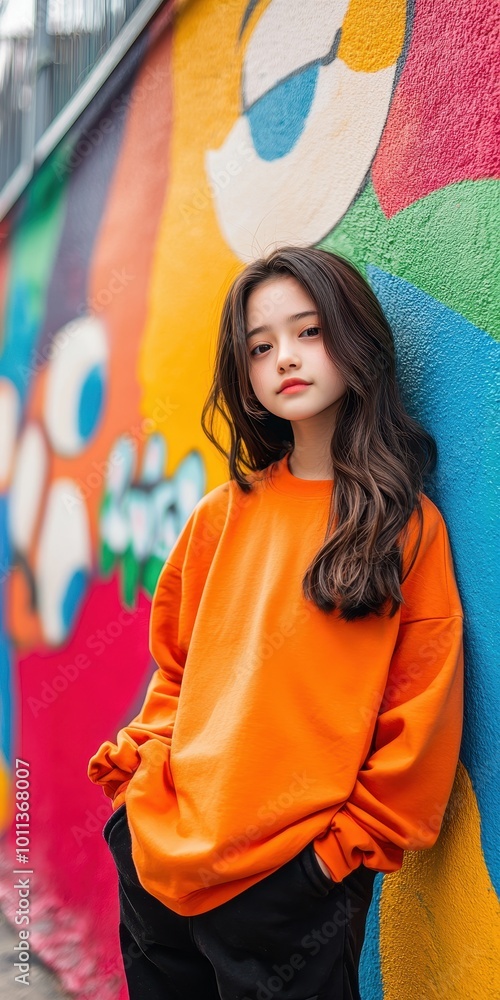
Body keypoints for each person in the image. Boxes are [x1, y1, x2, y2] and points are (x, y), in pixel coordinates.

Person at [88, 246, 464, 1000]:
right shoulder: (220, 516)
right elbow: (178, 671)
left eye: (308, 332)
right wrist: (136, 784)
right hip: (160, 864)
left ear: (355, 341)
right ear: (246, 375)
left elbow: (419, 714)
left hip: (293, 892)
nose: (284, 359)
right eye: (261, 347)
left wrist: (332, 861)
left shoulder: (405, 529)